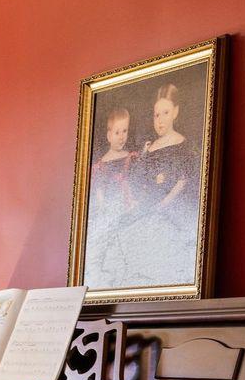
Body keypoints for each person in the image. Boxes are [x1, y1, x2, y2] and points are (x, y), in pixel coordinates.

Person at [127, 82, 200, 285]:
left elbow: (183, 180)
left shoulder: (183, 145)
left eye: (165, 113)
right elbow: (137, 178)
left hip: (169, 211)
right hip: (145, 208)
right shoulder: (149, 147)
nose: (160, 120)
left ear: (175, 112)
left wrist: (162, 205)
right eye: (156, 115)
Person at [84, 107, 140, 288]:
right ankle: (107, 276)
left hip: (128, 208)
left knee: (126, 244)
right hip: (110, 210)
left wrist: (133, 202)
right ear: (109, 135)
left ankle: (126, 276)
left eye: (124, 131)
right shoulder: (101, 165)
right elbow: (99, 190)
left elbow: (136, 183)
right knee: (107, 244)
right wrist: (104, 208)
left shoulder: (131, 157)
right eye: (117, 132)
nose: (121, 136)